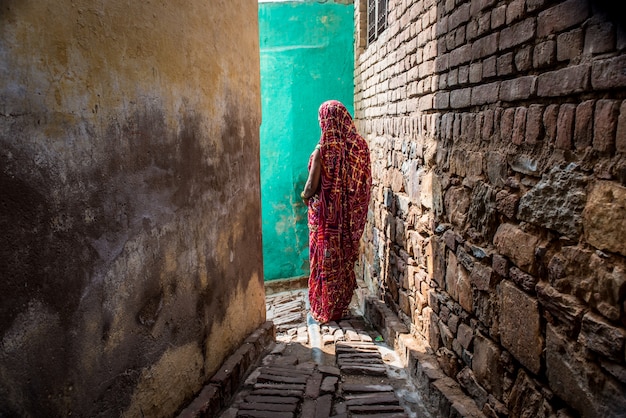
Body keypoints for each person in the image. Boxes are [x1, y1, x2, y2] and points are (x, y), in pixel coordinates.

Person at [300, 100, 372, 324]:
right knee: (342, 260)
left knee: (325, 261)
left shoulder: (322, 151)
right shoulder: (359, 147)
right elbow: (364, 183)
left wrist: (304, 197)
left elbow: (312, 186)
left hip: (324, 222)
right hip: (347, 221)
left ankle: (327, 306)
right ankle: (340, 306)